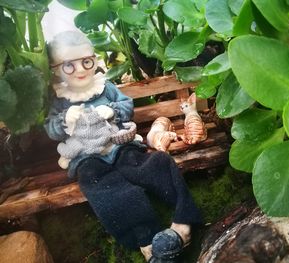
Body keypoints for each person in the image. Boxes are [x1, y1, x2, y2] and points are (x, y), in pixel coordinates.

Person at [44, 31, 202, 262]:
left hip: (120, 146)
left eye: (86, 62)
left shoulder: (104, 87)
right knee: (106, 188)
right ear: (55, 68)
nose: (80, 70)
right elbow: (50, 129)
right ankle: (147, 240)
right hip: (88, 158)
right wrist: (65, 119)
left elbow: (126, 105)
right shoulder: (59, 99)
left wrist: (113, 110)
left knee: (157, 162)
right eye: (69, 66)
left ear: (93, 60)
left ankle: (183, 223)